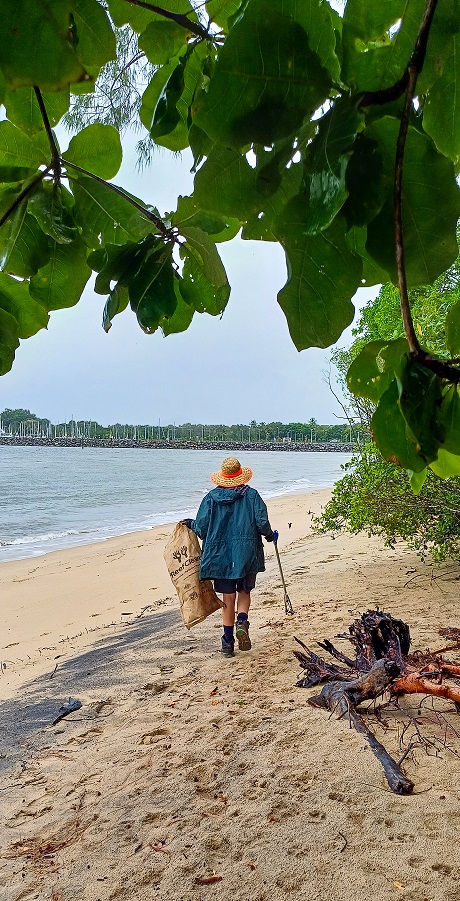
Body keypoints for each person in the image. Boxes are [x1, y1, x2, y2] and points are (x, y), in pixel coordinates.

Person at [182, 457, 278, 658]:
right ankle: (242, 620)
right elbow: (262, 522)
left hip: (220, 555)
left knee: (228, 598)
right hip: (246, 552)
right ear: (240, 475)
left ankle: (227, 643)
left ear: (223, 477)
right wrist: (270, 535)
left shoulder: (211, 498)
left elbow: (202, 528)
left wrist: (190, 523)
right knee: (244, 590)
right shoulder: (251, 495)